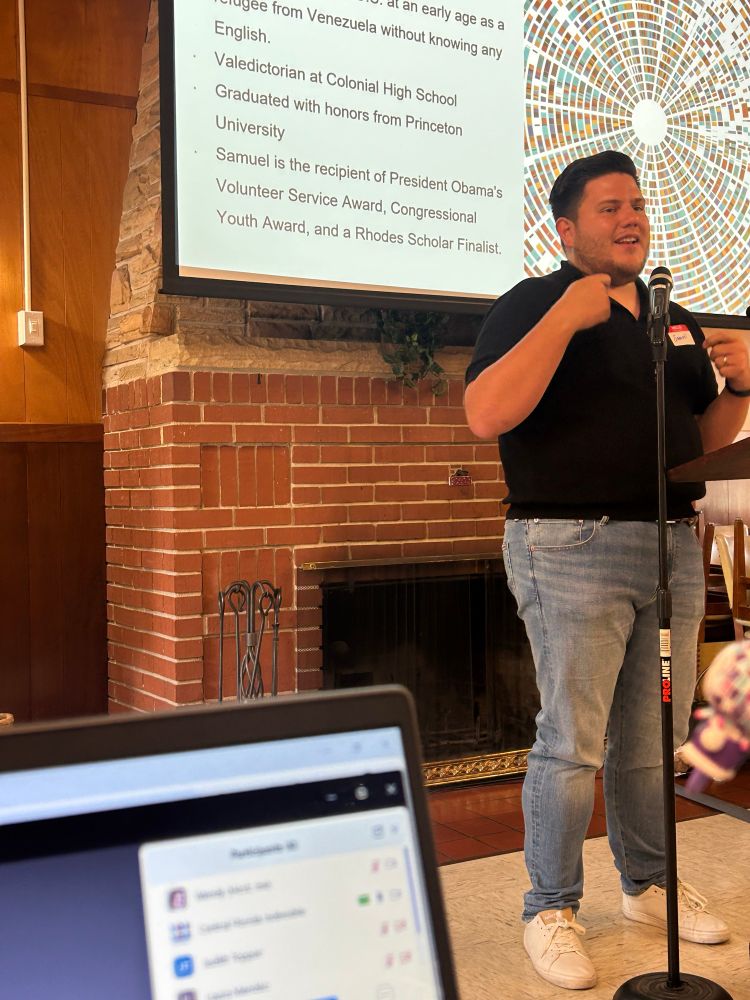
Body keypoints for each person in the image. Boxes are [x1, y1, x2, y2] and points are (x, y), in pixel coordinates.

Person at [464, 150, 750, 991]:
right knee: (572, 742)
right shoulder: (532, 303)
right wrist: (563, 318)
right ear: (566, 229)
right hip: (570, 546)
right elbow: (484, 413)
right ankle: (549, 908)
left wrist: (740, 389)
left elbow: (698, 445)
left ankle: (648, 887)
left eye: (637, 205)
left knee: (653, 739)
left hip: (669, 548)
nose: (631, 218)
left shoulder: (672, 319)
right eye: (609, 207)